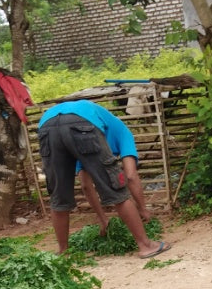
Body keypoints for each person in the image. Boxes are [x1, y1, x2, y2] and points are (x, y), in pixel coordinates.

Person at [37, 99, 170, 258]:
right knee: (116, 188)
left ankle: (63, 252)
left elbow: (86, 185)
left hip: (46, 124)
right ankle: (146, 245)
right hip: (80, 122)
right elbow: (130, 176)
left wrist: (103, 219)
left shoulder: (95, 127)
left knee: (58, 195)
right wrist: (142, 209)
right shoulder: (122, 131)